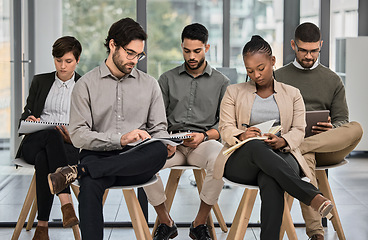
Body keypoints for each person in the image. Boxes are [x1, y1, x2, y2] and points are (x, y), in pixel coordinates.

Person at [47, 18, 172, 240]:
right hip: (98, 155)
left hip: (136, 160)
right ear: (113, 45)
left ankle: (81, 170)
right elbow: (78, 135)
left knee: (159, 151)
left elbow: (159, 129)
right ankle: (87, 171)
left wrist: (166, 141)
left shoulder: (150, 84)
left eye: (139, 55)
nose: (135, 60)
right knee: (90, 188)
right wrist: (120, 139)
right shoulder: (85, 85)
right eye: (130, 53)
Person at [213, 35, 334, 240]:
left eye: (261, 68)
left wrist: (283, 141)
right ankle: (311, 195)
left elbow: (298, 129)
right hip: (242, 161)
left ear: (273, 62)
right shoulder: (233, 92)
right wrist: (242, 134)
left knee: (270, 177)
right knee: (256, 148)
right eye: (250, 71)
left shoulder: (293, 93)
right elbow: (224, 127)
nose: (256, 75)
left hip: (282, 156)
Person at [275, 22, 363, 240]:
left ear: (321, 45)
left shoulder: (333, 80)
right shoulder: (278, 77)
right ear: (293, 45)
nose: (309, 56)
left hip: (323, 145)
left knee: (357, 128)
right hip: (293, 144)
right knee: (307, 157)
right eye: (303, 50)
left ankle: (299, 146)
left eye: (314, 50)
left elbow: (343, 120)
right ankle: (317, 234)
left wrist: (332, 128)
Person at [144, 23, 230, 240]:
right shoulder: (166, 79)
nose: (191, 56)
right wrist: (164, 140)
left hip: (203, 143)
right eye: (187, 50)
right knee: (141, 163)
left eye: (197, 51)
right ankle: (166, 222)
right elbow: (156, 118)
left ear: (207, 47)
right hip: (171, 144)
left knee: (220, 158)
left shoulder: (222, 82)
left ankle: (199, 224)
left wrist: (205, 135)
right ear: (181, 47)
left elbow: (226, 123)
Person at [16, 36, 82, 240]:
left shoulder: (84, 85)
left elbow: (92, 124)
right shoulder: (40, 81)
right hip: (35, 142)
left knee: (45, 160)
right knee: (51, 134)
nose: (62, 66)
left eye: (68, 61)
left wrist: (74, 137)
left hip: (68, 146)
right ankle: (66, 203)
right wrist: (30, 119)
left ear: (77, 60)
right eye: (58, 60)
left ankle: (42, 227)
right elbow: (23, 118)